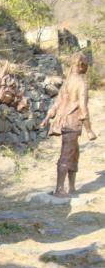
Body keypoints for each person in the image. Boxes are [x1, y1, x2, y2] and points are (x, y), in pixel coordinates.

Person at [40, 52, 97, 197]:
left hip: (64, 121)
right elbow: (83, 108)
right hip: (72, 122)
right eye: (86, 64)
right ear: (82, 65)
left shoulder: (68, 81)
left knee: (74, 154)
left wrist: (48, 117)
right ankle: (60, 189)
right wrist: (89, 130)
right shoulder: (81, 83)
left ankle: (71, 188)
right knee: (67, 155)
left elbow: (57, 102)